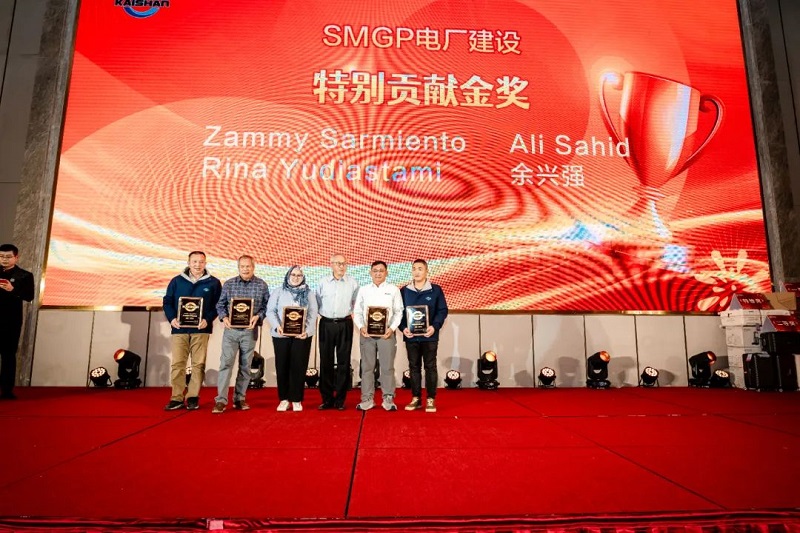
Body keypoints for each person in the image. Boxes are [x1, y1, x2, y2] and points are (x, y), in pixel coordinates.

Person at [162, 251, 222, 411]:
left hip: (201, 330)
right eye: (194, 261)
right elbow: (167, 302)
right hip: (179, 329)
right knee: (178, 364)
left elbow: (218, 305)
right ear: (188, 263)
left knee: (198, 364)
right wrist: (172, 318)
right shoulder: (176, 281)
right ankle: (176, 398)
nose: (198, 265)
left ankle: (193, 397)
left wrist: (207, 319)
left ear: (205, 263)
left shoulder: (214, 283)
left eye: (201, 262)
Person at [212, 255, 270, 414]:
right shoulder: (229, 284)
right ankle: (221, 400)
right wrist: (224, 317)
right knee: (226, 364)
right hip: (231, 331)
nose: (245, 269)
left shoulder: (262, 285)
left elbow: (267, 306)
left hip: (249, 331)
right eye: (242, 266)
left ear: (253, 267)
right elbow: (220, 304)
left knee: (245, 366)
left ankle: (239, 399)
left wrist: (258, 316)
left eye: (248, 266)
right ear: (238, 267)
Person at [399, 259, 449, 413]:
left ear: (427, 271)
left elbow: (442, 310)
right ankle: (416, 398)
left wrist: (435, 326)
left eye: (420, 268)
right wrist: (403, 328)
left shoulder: (436, 290)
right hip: (411, 337)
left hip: (430, 336)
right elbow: (398, 312)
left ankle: (430, 399)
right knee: (414, 367)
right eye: (414, 268)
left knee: (430, 367)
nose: (417, 271)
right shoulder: (404, 291)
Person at [353, 261, 403, 411]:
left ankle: (388, 398)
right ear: (370, 273)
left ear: (386, 273)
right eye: (375, 270)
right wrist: (361, 327)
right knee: (367, 367)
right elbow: (357, 312)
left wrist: (392, 329)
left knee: (387, 367)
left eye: (381, 270)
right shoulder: (363, 290)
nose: (378, 273)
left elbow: (399, 311)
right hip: (367, 334)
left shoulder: (393, 290)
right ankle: (367, 399)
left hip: (386, 334)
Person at [267, 266, 318, 412]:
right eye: (293, 274)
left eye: (299, 275)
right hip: (281, 335)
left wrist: (306, 332)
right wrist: (278, 326)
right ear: (288, 275)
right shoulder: (278, 291)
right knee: (282, 366)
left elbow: (313, 314)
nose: (296, 277)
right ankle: (283, 399)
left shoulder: (309, 293)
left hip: (301, 337)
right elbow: (270, 311)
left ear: (303, 277)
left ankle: (296, 399)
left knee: (298, 367)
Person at [315, 254, 359, 410]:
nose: (341, 266)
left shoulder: (353, 283)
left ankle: (340, 400)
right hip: (326, 323)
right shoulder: (322, 282)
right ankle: (327, 399)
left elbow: (355, 303)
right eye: (338, 263)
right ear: (331, 264)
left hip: (345, 323)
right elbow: (317, 302)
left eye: (344, 263)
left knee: (343, 362)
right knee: (325, 361)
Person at [0, 244, 35, 400]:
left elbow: (29, 296)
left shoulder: (24, 275)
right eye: (1, 256)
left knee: (8, 355)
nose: (4, 259)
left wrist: (12, 290)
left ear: (16, 257)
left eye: (8, 257)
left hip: (11, 321)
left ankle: (7, 390)